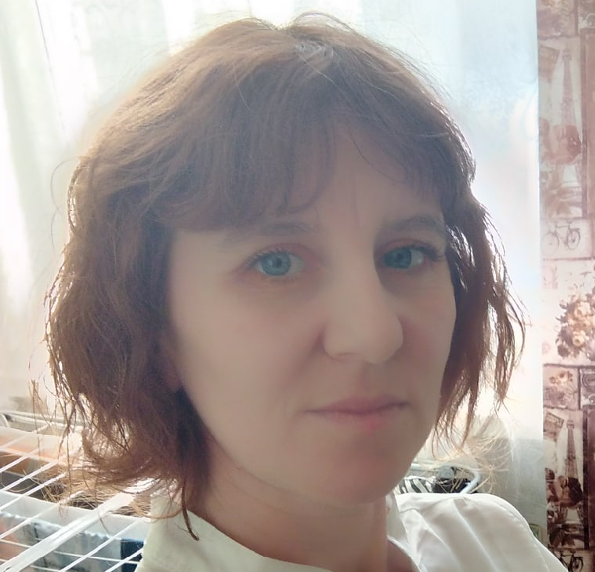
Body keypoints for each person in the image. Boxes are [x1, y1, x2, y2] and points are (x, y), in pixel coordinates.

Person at [45, 13, 565, 572]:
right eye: (276, 263)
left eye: (406, 254)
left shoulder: (493, 540)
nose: (375, 335)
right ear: (151, 331)